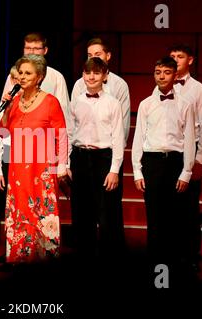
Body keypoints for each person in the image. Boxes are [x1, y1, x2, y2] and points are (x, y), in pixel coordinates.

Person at [0, 33, 69, 264]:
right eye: (20, 73)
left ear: (39, 77)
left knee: (42, 213)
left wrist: (63, 165)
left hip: (43, 167)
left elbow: (61, 135)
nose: (22, 77)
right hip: (18, 166)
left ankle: (45, 260)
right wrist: (4, 108)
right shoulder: (14, 101)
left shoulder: (50, 102)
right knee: (20, 212)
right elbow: (3, 131)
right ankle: (19, 259)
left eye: (28, 73)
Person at [131, 57, 196, 281]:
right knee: (154, 217)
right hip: (152, 162)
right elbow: (139, 137)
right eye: (158, 71)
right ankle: (155, 267)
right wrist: (137, 170)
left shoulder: (185, 105)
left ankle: (174, 268)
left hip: (175, 162)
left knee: (175, 218)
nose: (161, 76)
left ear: (175, 75)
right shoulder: (145, 104)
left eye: (166, 72)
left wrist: (187, 172)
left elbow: (189, 140)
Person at [67, 57, 126, 263]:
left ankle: (109, 260)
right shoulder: (76, 101)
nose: (91, 77)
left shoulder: (113, 103)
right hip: (80, 157)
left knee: (107, 213)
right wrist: (67, 163)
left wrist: (114, 169)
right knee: (81, 212)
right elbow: (69, 133)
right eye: (87, 73)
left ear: (105, 76)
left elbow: (118, 137)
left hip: (103, 158)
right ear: (83, 75)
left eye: (96, 73)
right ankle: (84, 258)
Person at [169, 44, 202, 271]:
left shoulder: (199, 90)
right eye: (173, 56)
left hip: (191, 148)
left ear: (191, 60)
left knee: (189, 206)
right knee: (170, 206)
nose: (176, 60)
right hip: (170, 150)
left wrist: (200, 160)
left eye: (180, 56)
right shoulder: (162, 87)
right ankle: (173, 252)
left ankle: (191, 255)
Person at [71, 37, 130, 143]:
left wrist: (116, 151)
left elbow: (123, 124)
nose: (94, 58)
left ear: (108, 56)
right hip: (82, 148)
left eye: (98, 54)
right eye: (90, 55)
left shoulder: (120, 85)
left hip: (107, 150)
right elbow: (72, 121)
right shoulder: (79, 84)